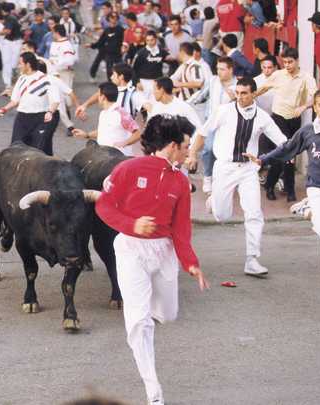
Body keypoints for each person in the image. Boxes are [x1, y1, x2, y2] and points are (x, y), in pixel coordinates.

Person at [96, 113, 208, 405]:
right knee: (138, 321)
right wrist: (131, 225)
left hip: (164, 252)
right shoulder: (128, 169)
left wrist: (191, 263)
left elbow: (182, 228)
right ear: (172, 145)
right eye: (186, 146)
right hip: (131, 249)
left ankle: (148, 314)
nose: (188, 151)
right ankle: (153, 390)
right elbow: (104, 206)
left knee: (168, 314)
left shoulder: (181, 183)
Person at [244, 89, 320, 310]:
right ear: (314, 108)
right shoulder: (308, 132)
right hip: (318, 189)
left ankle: (308, 210)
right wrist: (262, 160)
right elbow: (287, 149)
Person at [188, 77, 287, 276]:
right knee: (222, 215)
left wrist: (289, 154)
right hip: (224, 168)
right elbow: (203, 132)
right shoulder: (224, 111)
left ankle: (252, 260)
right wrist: (192, 154)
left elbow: (282, 141)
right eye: (238, 93)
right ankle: (214, 201)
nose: (239, 97)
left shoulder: (262, 117)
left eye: (244, 93)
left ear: (253, 94)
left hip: (249, 169)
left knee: (254, 213)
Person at [255, 47, 318, 202]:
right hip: (278, 118)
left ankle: (270, 184)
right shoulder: (278, 75)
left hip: (294, 120)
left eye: (290, 62)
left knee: (287, 153)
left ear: (297, 61)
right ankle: (290, 191)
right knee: (287, 153)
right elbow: (262, 88)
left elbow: (315, 96)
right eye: (285, 62)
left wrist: (304, 106)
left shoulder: (306, 77)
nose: (287, 65)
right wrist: (250, 96)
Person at [0, 52, 60, 155]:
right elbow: (15, 101)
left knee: (38, 152)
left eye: (20, 63)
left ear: (28, 64)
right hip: (22, 119)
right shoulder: (21, 79)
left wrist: (50, 112)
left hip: (40, 119)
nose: (18, 66)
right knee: (15, 150)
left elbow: (55, 100)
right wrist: (3, 110)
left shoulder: (46, 79)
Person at [190, 56, 236, 193]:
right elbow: (201, 96)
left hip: (229, 126)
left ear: (230, 70)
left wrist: (235, 98)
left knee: (227, 153)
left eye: (222, 69)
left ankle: (227, 182)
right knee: (208, 149)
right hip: (211, 123)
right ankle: (208, 177)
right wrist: (188, 105)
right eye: (217, 69)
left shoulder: (238, 85)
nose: (219, 72)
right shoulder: (213, 81)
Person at [72, 82, 141, 156]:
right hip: (104, 157)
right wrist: (86, 135)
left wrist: (125, 143)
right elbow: (103, 132)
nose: (97, 98)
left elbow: (138, 133)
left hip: (119, 158)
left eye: (98, 95)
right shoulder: (103, 113)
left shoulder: (121, 114)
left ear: (103, 97)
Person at [76, 63, 145, 122]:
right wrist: (84, 105)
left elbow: (149, 108)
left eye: (114, 75)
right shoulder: (115, 88)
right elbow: (100, 93)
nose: (111, 77)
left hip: (124, 135)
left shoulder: (133, 94)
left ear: (121, 77)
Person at [36, 58, 79, 137]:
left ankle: (71, 128)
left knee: (62, 111)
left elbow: (70, 92)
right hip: (43, 109)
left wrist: (79, 107)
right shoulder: (31, 80)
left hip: (55, 104)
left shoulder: (53, 79)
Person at [86, 12, 124, 80]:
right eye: (111, 18)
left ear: (117, 19)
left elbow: (125, 41)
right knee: (109, 72)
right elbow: (100, 42)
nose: (113, 20)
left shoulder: (121, 30)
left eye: (115, 18)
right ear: (108, 19)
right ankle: (109, 86)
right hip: (109, 54)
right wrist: (91, 45)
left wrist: (124, 48)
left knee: (120, 71)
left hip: (118, 54)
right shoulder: (106, 30)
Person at [132, 30, 168, 97]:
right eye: (147, 40)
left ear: (156, 39)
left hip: (157, 82)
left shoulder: (161, 51)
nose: (150, 42)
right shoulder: (140, 53)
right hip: (144, 82)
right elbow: (133, 68)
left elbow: (169, 59)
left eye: (152, 40)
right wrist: (136, 82)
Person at [0, 3, 23, 97]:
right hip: (12, 42)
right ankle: (9, 85)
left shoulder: (10, 18)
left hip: (13, 43)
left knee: (10, 64)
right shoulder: (11, 17)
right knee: (9, 63)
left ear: (3, 11)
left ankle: (10, 85)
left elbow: (7, 31)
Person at [200, 6, 218, 70]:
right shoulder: (214, 21)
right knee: (211, 68)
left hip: (204, 47)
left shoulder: (205, 22)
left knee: (207, 68)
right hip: (210, 48)